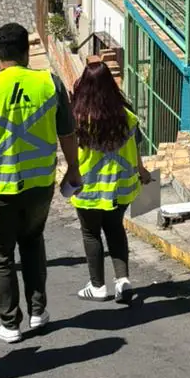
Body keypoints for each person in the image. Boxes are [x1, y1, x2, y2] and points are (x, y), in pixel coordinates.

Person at [0, 22, 79, 344]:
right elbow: (67, 132)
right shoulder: (49, 83)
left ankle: (11, 323)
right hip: (39, 185)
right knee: (33, 242)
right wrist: (74, 170)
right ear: (28, 52)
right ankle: (38, 311)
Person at [69, 57, 151, 303]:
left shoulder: (78, 118)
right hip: (121, 188)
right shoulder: (127, 117)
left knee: (91, 234)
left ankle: (97, 286)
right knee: (115, 230)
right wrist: (143, 172)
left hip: (88, 189)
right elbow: (136, 153)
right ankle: (123, 281)